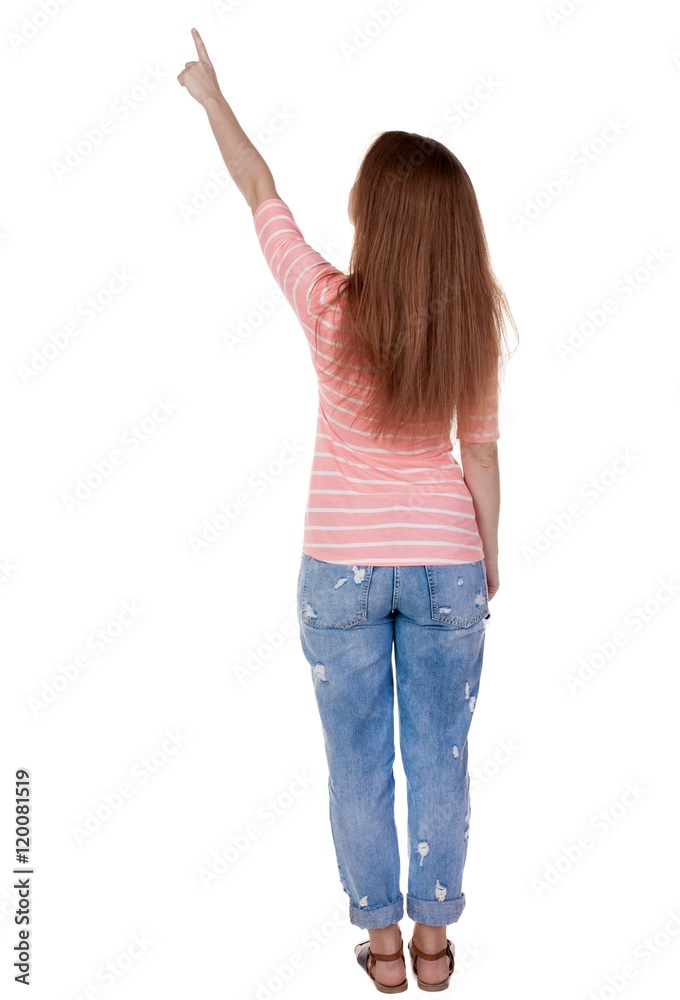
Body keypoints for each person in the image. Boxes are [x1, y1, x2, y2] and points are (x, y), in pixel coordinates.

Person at [178, 28, 517, 993]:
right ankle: (437, 942)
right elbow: (480, 452)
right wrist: (487, 557)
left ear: (372, 219)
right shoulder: (472, 321)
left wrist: (213, 98)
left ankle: (378, 945)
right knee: (441, 755)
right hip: (448, 561)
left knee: (358, 761)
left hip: (340, 568)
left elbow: (261, 191)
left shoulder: (328, 304)